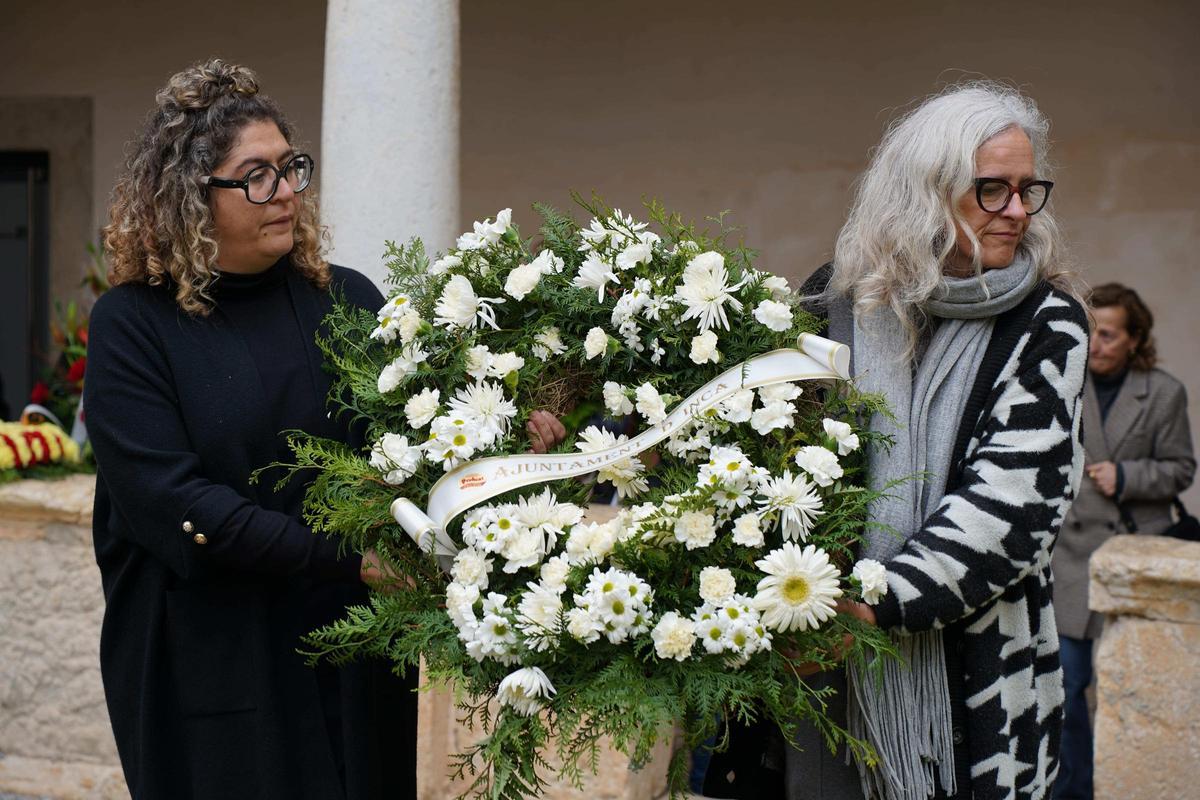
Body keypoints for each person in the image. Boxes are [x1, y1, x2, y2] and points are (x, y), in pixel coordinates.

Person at [83, 59, 572, 800]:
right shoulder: (134, 325)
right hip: (211, 656)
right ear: (191, 197)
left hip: (350, 651)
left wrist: (513, 452)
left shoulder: (345, 297)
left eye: (290, 169)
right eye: (256, 176)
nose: (283, 193)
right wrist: (353, 560)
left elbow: (421, 449)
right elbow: (176, 503)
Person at [705, 83, 1089, 800]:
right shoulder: (833, 301)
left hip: (969, 676)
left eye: (1026, 189)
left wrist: (875, 609)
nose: (1016, 211)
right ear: (927, 192)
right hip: (816, 662)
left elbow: (1014, 508)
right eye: (991, 190)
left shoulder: (1047, 321)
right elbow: (767, 449)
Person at [1050, 283, 1195, 800]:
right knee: (1066, 690)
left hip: (1130, 563)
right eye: (1090, 331)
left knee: (1130, 692)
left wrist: (1130, 476)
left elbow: (1181, 469)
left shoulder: (1163, 392)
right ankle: (1074, 791)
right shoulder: (1062, 381)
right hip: (1069, 562)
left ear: (1135, 339)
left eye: (1109, 334)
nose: (1095, 344)